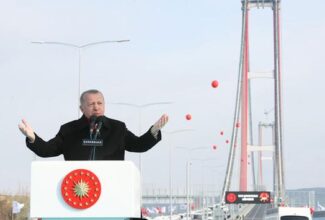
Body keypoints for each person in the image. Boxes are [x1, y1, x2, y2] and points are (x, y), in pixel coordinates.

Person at [18, 89, 169, 160]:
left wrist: (153, 131)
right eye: (91, 104)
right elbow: (47, 150)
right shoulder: (69, 130)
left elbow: (138, 145)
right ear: (81, 108)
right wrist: (32, 138)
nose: (96, 107)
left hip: (112, 187)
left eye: (99, 103)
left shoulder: (118, 128)